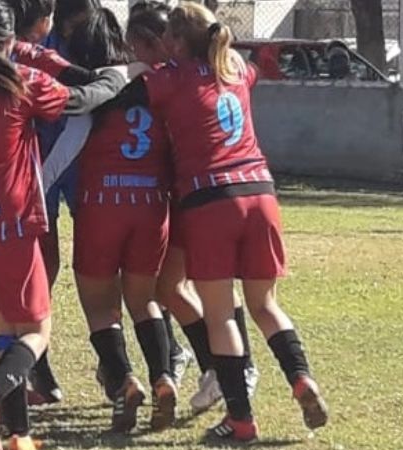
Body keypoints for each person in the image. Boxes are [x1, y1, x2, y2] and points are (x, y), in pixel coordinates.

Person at [0, 0, 136, 448]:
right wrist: (116, 77)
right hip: (6, 226)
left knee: (4, 330)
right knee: (35, 330)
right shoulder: (20, 80)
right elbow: (79, 100)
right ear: (10, 40)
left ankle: (20, 436)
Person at [110, 2, 328, 441]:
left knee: (220, 314)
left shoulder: (169, 79)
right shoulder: (238, 67)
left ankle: (242, 420)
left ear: (176, 42)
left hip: (211, 199)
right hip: (260, 191)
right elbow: (229, 67)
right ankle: (301, 377)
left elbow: (124, 97)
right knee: (266, 304)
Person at [124, 0, 259, 415]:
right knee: (176, 288)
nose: (134, 57)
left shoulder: (172, 78)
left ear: (166, 43)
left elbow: (125, 93)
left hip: (199, 195)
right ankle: (221, 369)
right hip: (198, 192)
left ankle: (235, 369)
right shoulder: (221, 65)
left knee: (206, 288)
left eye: (139, 48)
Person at [67, 7, 178, 432]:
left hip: (101, 201)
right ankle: (163, 375)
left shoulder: (96, 86)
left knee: (100, 306)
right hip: (151, 202)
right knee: (144, 299)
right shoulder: (163, 85)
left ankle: (125, 381)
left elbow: (69, 140)